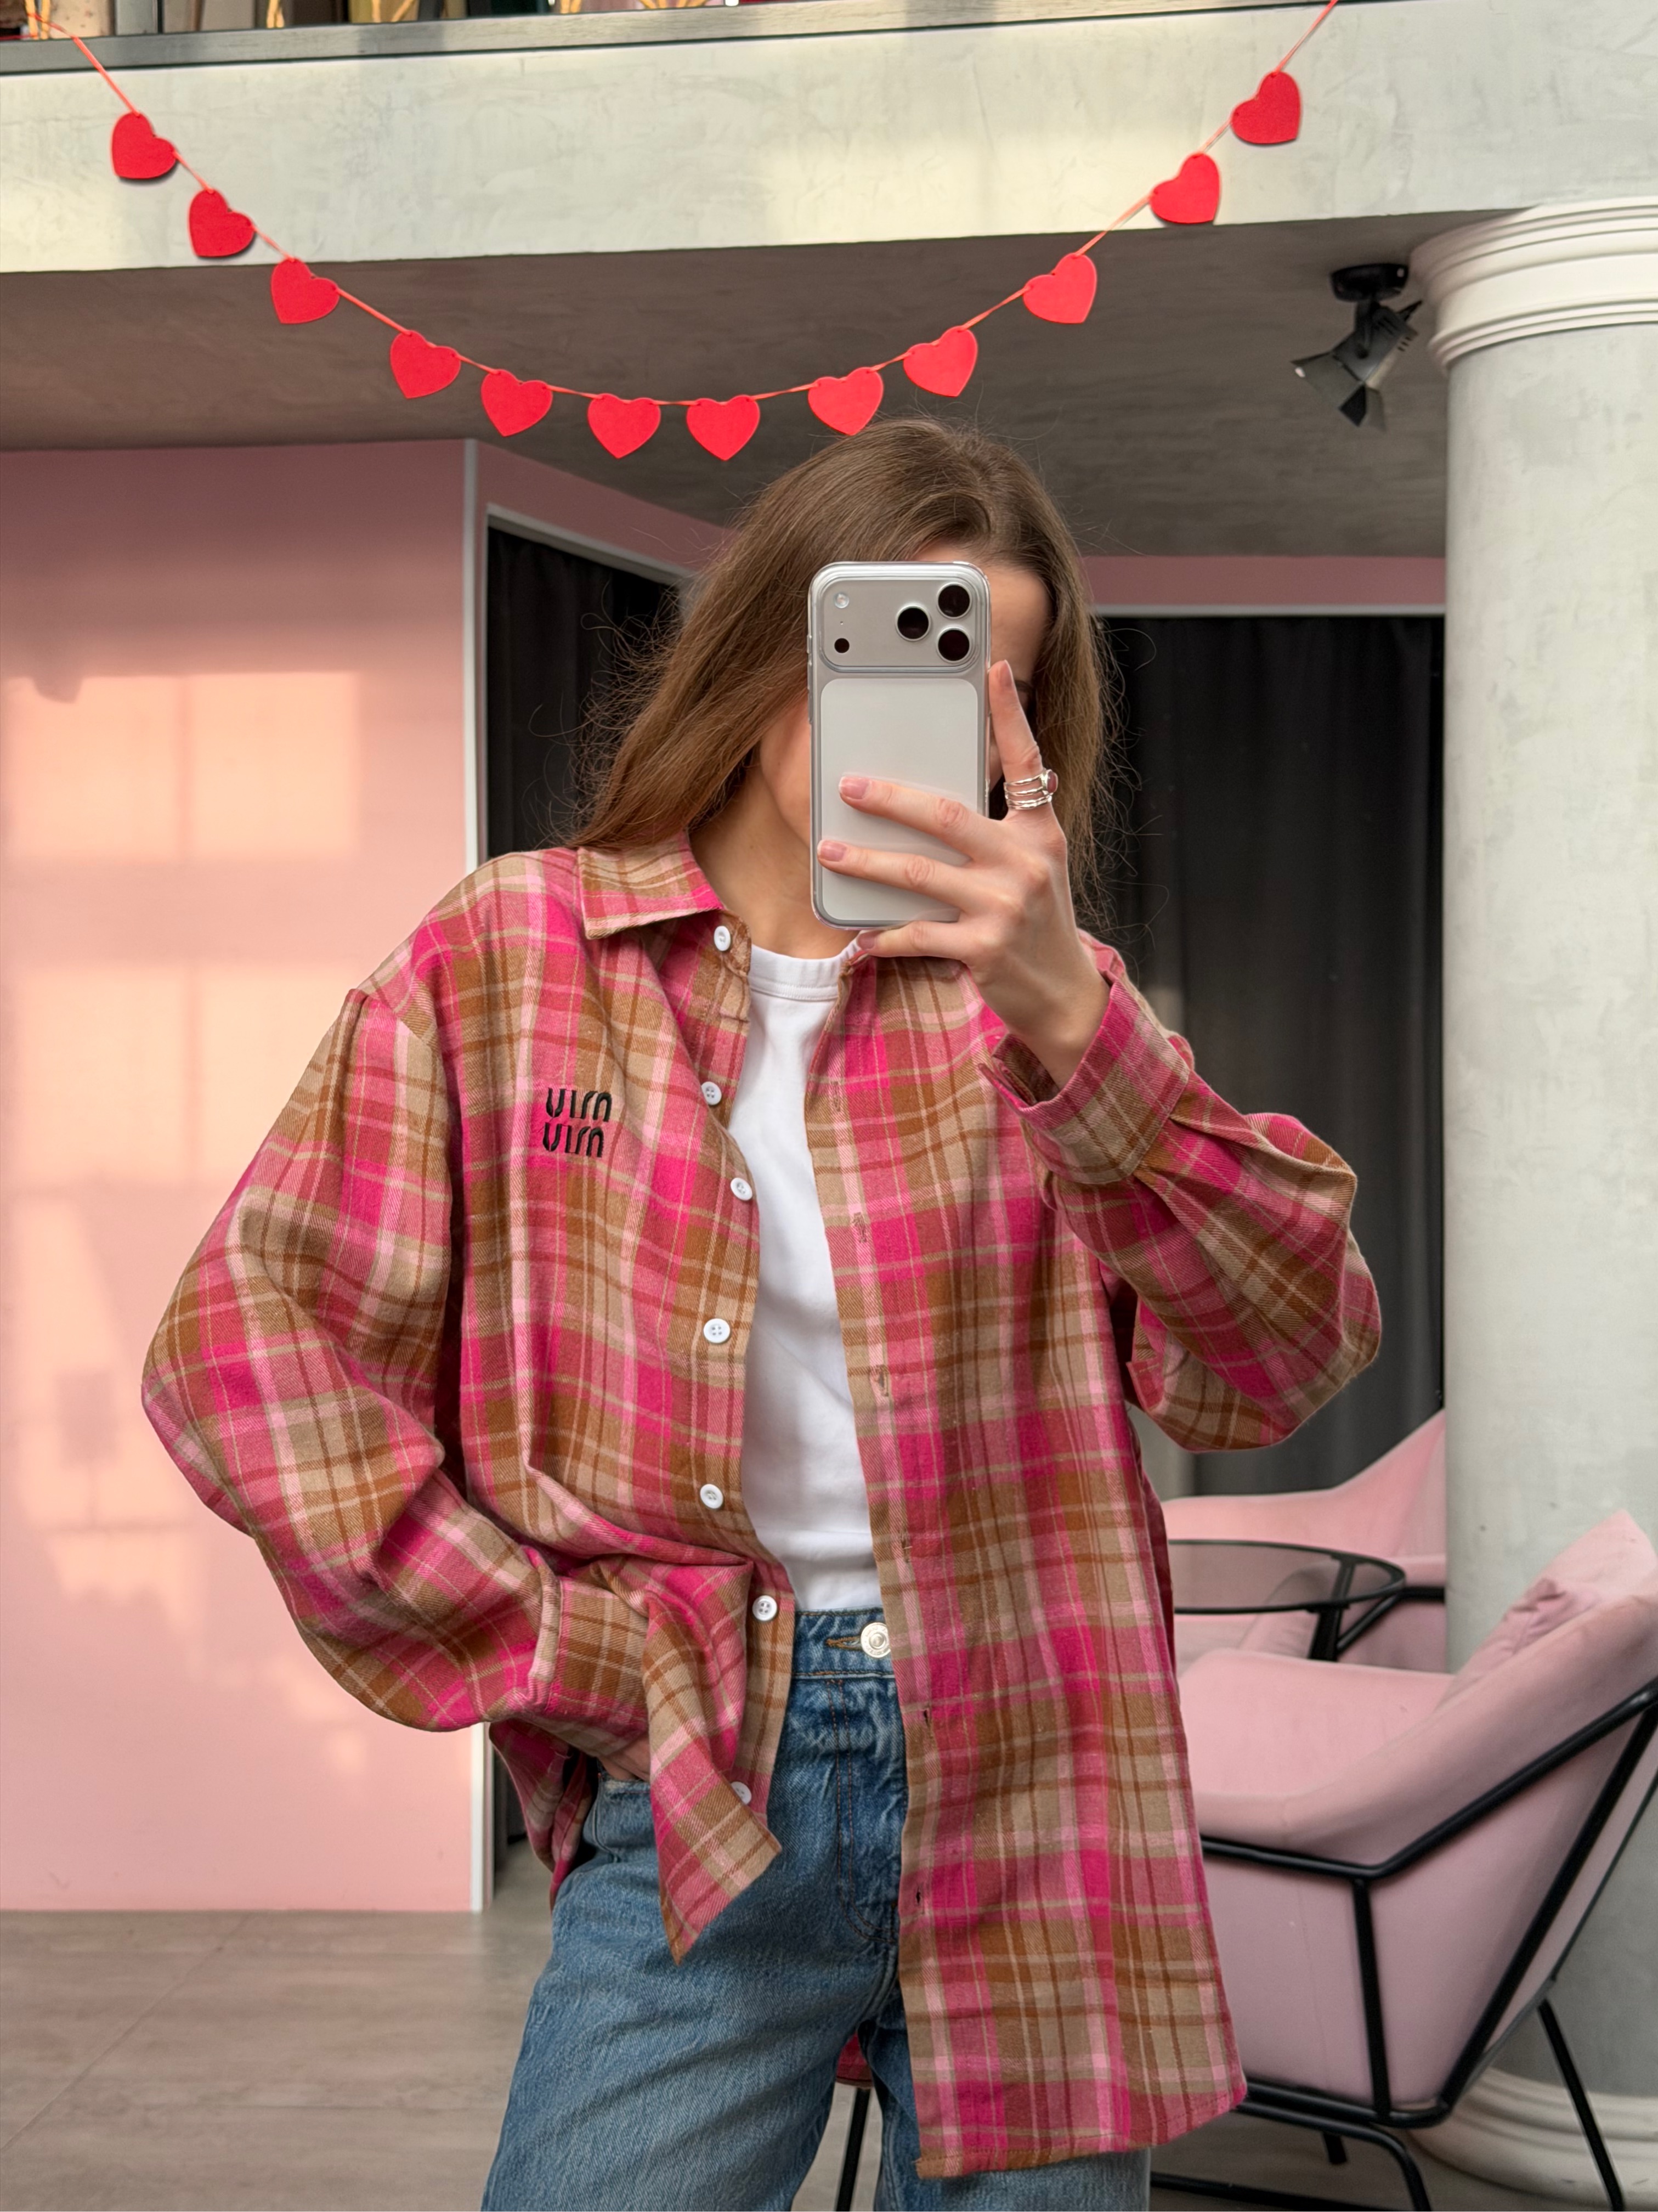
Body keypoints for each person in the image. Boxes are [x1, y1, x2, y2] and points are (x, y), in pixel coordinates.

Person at [144, 419, 1380, 2212]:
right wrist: (565, 1653)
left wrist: (1076, 1026)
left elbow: (1282, 1356)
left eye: (979, 682)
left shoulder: (1055, 1006)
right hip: (708, 1776)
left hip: (1044, 1770)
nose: (914, 722)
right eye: (882, 653)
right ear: (766, 647)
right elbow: (244, 1344)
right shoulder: (511, 956)